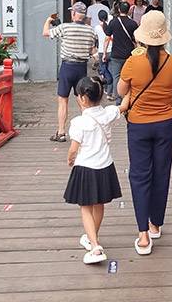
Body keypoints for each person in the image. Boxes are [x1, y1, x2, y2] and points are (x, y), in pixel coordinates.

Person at [117, 10, 172, 255]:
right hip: (166, 122)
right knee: (161, 173)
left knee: (140, 174)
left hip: (139, 124)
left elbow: (121, 88)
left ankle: (143, 235)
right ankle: (155, 223)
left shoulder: (133, 61)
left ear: (142, 37)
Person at [63, 76, 122, 264]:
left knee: (85, 207)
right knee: (99, 205)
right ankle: (91, 237)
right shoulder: (109, 113)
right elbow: (124, 105)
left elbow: (74, 147)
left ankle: (95, 247)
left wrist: (69, 158)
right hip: (105, 166)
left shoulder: (79, 122)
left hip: (86, 168)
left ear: (82, 99)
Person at [42, 2, 96, 142]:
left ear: (73, 14)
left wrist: (48, 20)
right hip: (82, 68)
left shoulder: (65, 27)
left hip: (67, 67)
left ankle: (61, 132)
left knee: (62, 100)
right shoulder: (90, 30)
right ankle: (87, 131)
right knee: (82, 99)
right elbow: (91, 50)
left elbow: (46, 33)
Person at [102, 0, 137, 106]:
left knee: (117, 77)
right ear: (129, 11)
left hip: (116, 55)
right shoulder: (133, 23)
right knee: (130, 77)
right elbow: (137, 40)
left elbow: (107, 39)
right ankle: (129, 98)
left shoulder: (114, 22)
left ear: (118, 9)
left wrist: (104, 53)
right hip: (129, 55)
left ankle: (118, 101)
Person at [94, 10, 114, 100]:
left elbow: (96, 38)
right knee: (111, 72)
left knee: (104, 72)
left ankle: (105, 89)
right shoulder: (111, 26)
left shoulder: (97, 27)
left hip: (101, 52)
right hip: (111, 51)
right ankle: (109, 93)